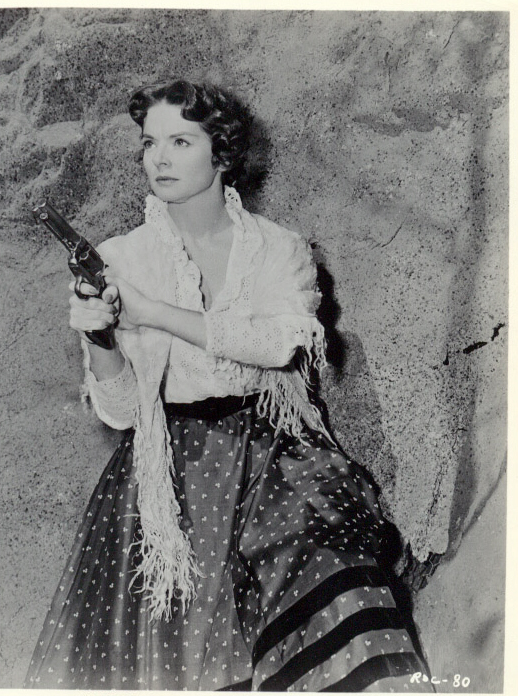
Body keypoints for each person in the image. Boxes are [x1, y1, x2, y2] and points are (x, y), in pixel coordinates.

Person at [25, 80, 434, 691]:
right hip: (168, 475)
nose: (159, 159)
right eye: (149, 143)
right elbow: (120, 412)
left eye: (180, 142)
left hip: (275, 460)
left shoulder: (278, 249)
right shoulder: (119, 258)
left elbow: (278, 345)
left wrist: (153, 312)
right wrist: (100, 336)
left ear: (221, 153)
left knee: (329, 578)